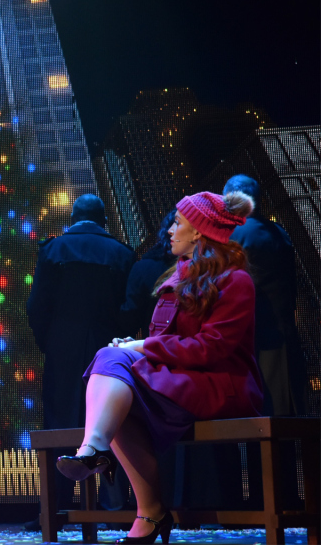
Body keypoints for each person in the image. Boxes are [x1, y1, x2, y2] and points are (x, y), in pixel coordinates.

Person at [57, 190, 262, 544]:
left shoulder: (235, 281)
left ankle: (137, 497)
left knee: (118, 374)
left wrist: (141, 347)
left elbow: (210, 349)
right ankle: (98, 454)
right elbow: (166, 341)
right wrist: (136, 347)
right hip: (182, 377)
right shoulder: (180, 275)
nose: (169, 230)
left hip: (219, 384)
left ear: (197, 232)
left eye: (177, 223)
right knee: (110, 362)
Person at [25, 194, 135, 515]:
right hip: (108, 351)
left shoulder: (53, 250)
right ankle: (114, 508)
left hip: (62, 350)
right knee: (111, 422)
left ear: (73, 217)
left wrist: (50, 342)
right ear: (104, 221)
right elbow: (129, 311)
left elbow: (36, 307)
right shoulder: (123, 254)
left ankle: (56, 508)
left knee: (59, 423)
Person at [223, 175, 306, 416]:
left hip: (256, 336)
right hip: (284, 330)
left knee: (263, 413)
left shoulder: (234, 235)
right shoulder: (279, 232)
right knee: (289, 410)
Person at [119, 210, 177, 339]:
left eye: (178, 223)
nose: (171, 231)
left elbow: (130, 319)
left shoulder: (144, 268)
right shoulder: (208, 271)